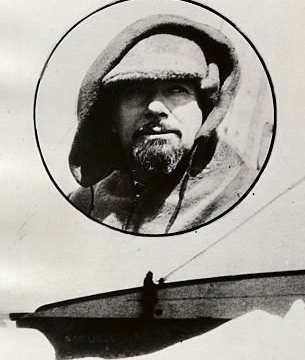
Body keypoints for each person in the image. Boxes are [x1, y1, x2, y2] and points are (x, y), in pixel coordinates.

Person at [67, 14, 256, 234]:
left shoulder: (243, 194)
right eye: (135, 91)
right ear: (112, 119)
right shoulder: (83, 204)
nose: (155, 107)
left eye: (176, 89)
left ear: (205, 110)